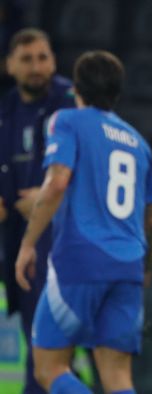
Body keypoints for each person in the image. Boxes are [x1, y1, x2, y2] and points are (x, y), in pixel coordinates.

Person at [13, 50, 152, 394]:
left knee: (48, 368)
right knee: (118, 378)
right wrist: (145, 270)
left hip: (81, 260)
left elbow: (57, 183)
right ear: (118, 92)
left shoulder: (67, 121)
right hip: (128, 266)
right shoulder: (139, 143)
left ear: (76, 88)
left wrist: (28, 244)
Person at [0, 27, 74, 394]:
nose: (36, 66)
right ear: (9, 66)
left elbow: (91, 166)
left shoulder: (71, 102)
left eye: (43, 57)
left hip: (66, 242)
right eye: (27, 59)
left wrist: (49, 198)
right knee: (38, 348)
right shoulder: (6, 110)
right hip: (22, 242)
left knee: (62, 354)